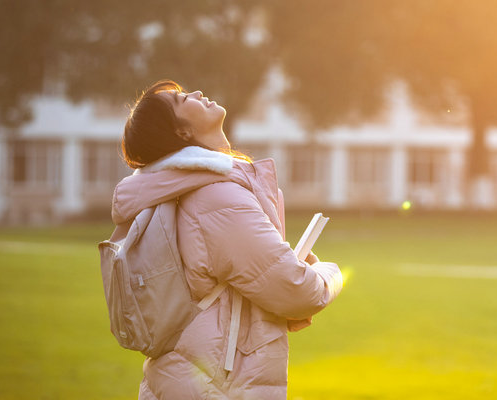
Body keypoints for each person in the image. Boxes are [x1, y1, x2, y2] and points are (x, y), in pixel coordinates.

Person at [112, 79, 343, 399]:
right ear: (181, 133)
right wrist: (329, 274)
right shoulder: (216, 197)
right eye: (181, 100)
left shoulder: (189, 190)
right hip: (217, 386)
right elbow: (296, 290)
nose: (194, 92)